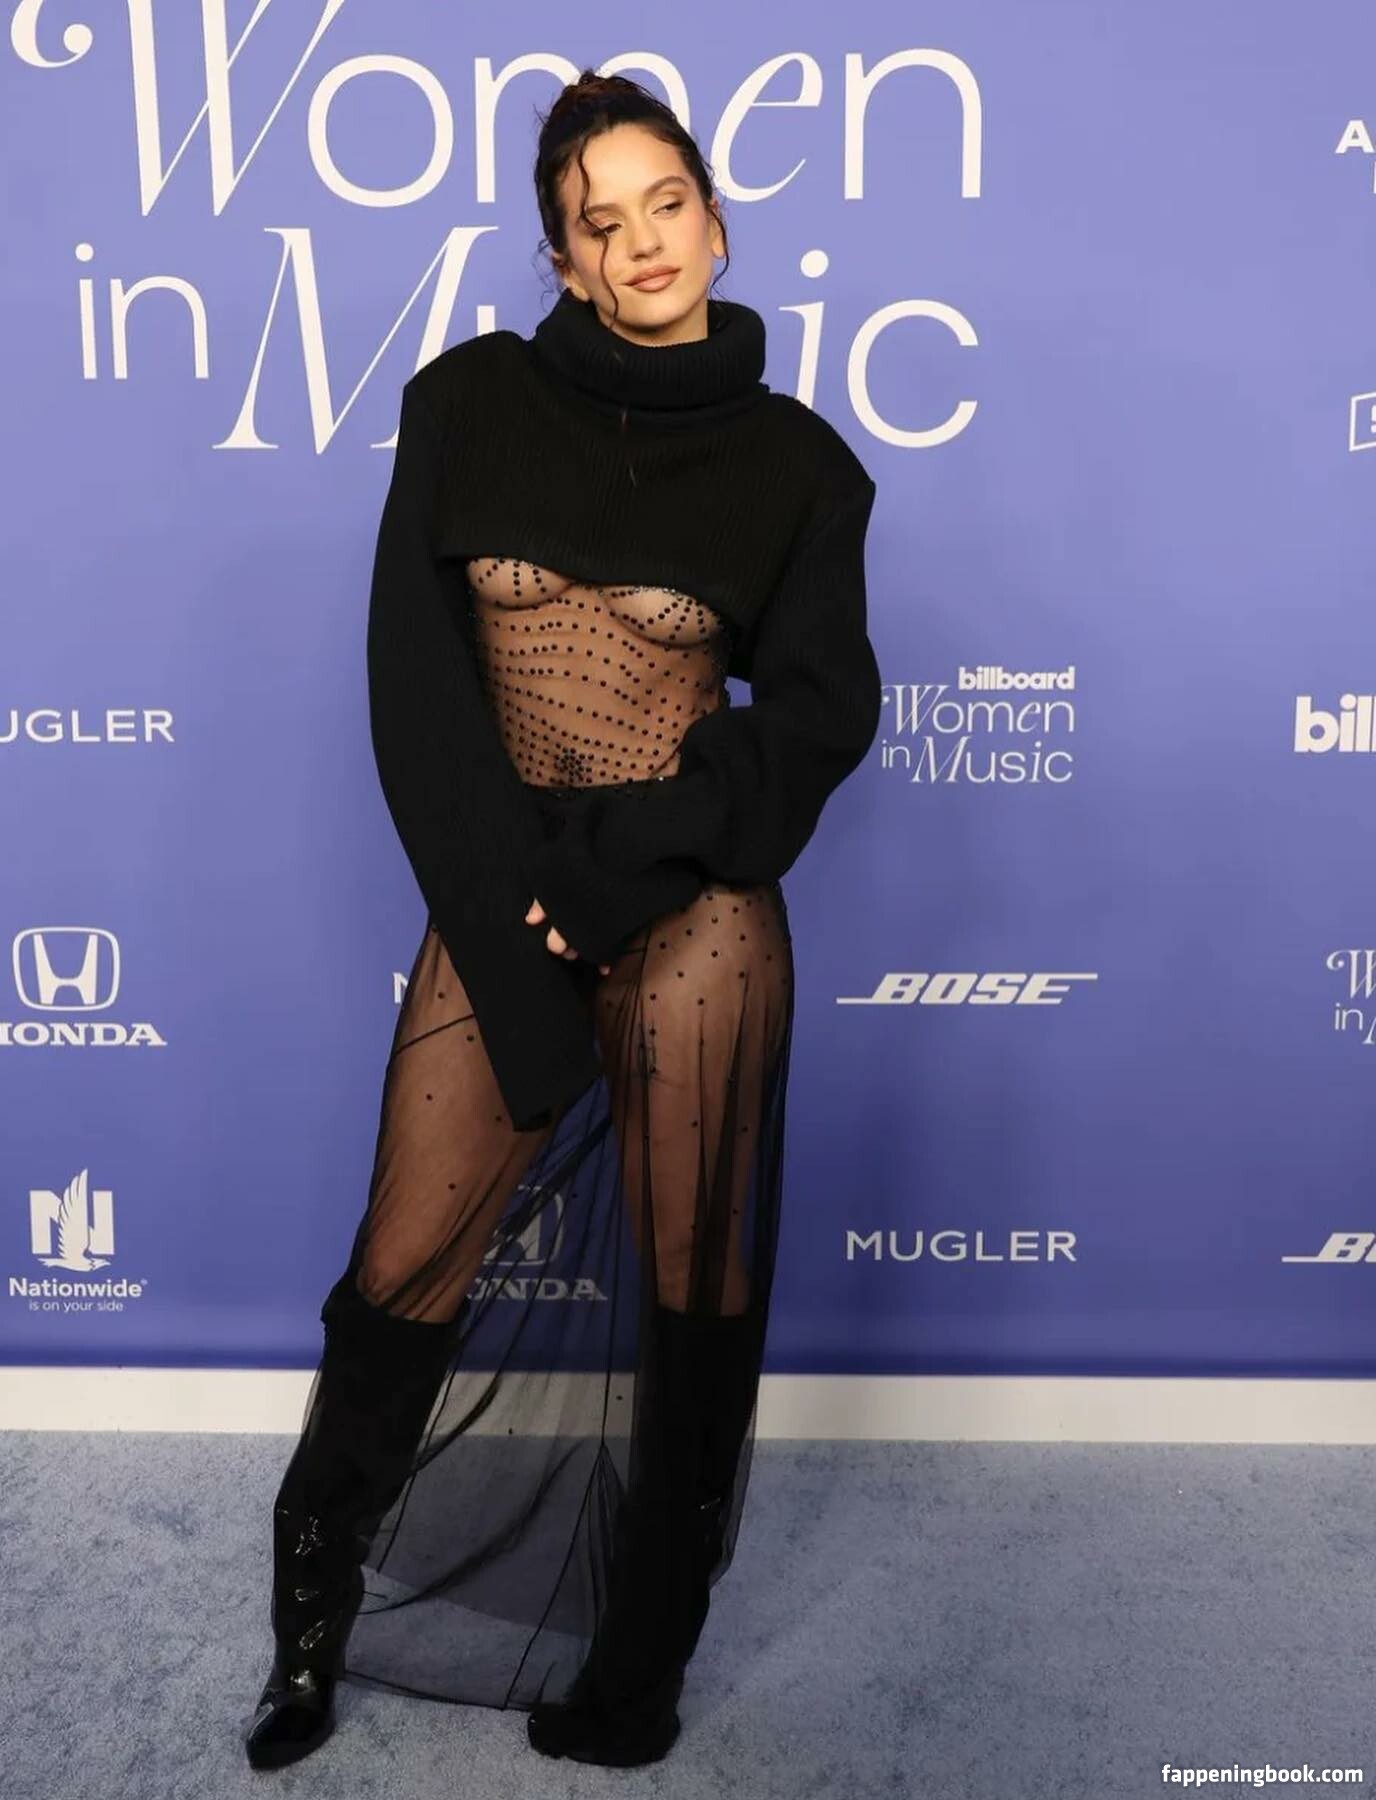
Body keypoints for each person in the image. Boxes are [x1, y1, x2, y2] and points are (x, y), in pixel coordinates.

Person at [243, 68, 883, 1774]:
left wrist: (612, 876)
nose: (642, 241)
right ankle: (307, 1631)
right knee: (402, 1264)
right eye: (602, 222)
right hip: (499, 895)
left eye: (666, 203)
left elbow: (816, 720)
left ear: (716, 222)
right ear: (565, 259)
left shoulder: (802, 469)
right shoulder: (466, 403)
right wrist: (513, 908)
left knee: (693, 1299)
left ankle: (639, 1671)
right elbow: (415, 689)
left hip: (691, 909)